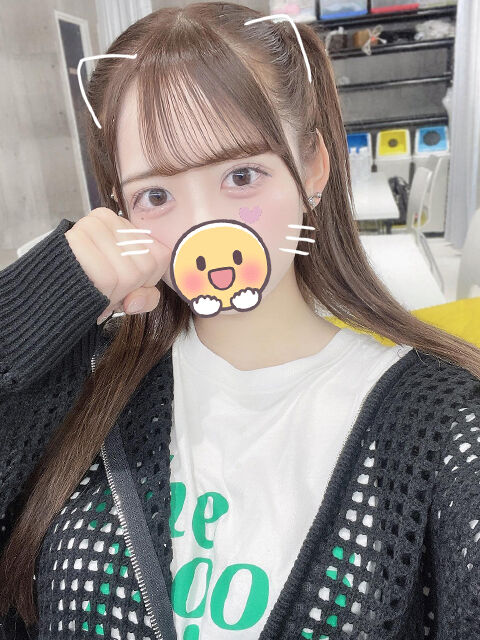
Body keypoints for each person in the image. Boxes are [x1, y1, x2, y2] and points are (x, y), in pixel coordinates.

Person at [1, 3, 479, 639]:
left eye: (242, 175)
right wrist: (42, 296)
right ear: (122, 211)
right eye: (156, 195)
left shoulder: (444, 425)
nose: (204, 225)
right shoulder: (83, 383)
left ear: (312, 166)